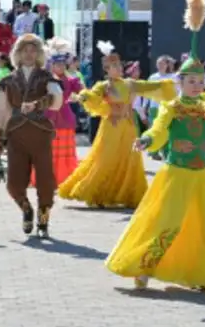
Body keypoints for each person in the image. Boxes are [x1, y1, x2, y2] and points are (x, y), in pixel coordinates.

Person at [106, 0, 205, 291]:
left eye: (200, 82)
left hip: (203, 174)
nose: (195, 85)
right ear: (179, 83)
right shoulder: (172, 107)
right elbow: (160, 129)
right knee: (167, 223)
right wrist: (147, 140)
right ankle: (143, 269)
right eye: (190, 81)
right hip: (176, 173)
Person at [58, 40, 176, 209]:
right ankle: (99, 193)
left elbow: (150, 86)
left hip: (128, 127)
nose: (119, 69)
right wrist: (84, 96)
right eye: (115, 66)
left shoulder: (129, 84)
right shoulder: (103, 86)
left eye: (120, 66)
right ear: (107, 69)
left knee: (129, 159)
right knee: (106, 158)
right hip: (111, 127)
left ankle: (127, 195)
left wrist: (169, 83)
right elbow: (92, 97)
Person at [0, 34, 63, 237]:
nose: (29, 54)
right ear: (18, 54)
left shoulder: (46, 77)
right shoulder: (7, 81)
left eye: (33, 50)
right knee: (13, 183)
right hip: (16, 136)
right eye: (25, 51)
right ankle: (26, 209)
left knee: (46, 182)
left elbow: (57, 100)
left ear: (39, 54)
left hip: (41, 135)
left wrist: (38, 104)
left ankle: (43, 220)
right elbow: (0, 111)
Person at [30, 38, 82, 186]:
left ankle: (65, 177)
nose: (59, 66)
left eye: (61, 64)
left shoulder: (72, 80)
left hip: (65, 117)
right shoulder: (44, 79)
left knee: (66, 152)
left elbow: (83, 92)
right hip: (48, 117)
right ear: (51, 65)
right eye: (56, 64)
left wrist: (82, 95)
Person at [144, 55, 177, 159]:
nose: (160, 65)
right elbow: (147, 92)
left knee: (167, 129)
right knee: (155, 128)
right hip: (155, 107)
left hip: (168, 107)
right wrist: (145, 105)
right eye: (158, 63)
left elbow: (178, 92)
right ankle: (154, 152)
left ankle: (167, 152)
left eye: (162, 63)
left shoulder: (173, 77)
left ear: (167, 65)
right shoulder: (153, 77)